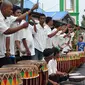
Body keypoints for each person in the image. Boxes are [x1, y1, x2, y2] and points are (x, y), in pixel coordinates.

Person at [0, 0, 29, 67]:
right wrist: (22, 26)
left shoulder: (7, 18)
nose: (11, 11)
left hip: (3, 52)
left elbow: (19, 18)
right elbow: (7, 32)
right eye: (10, 9)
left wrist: (31, 10)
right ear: (5, 8)